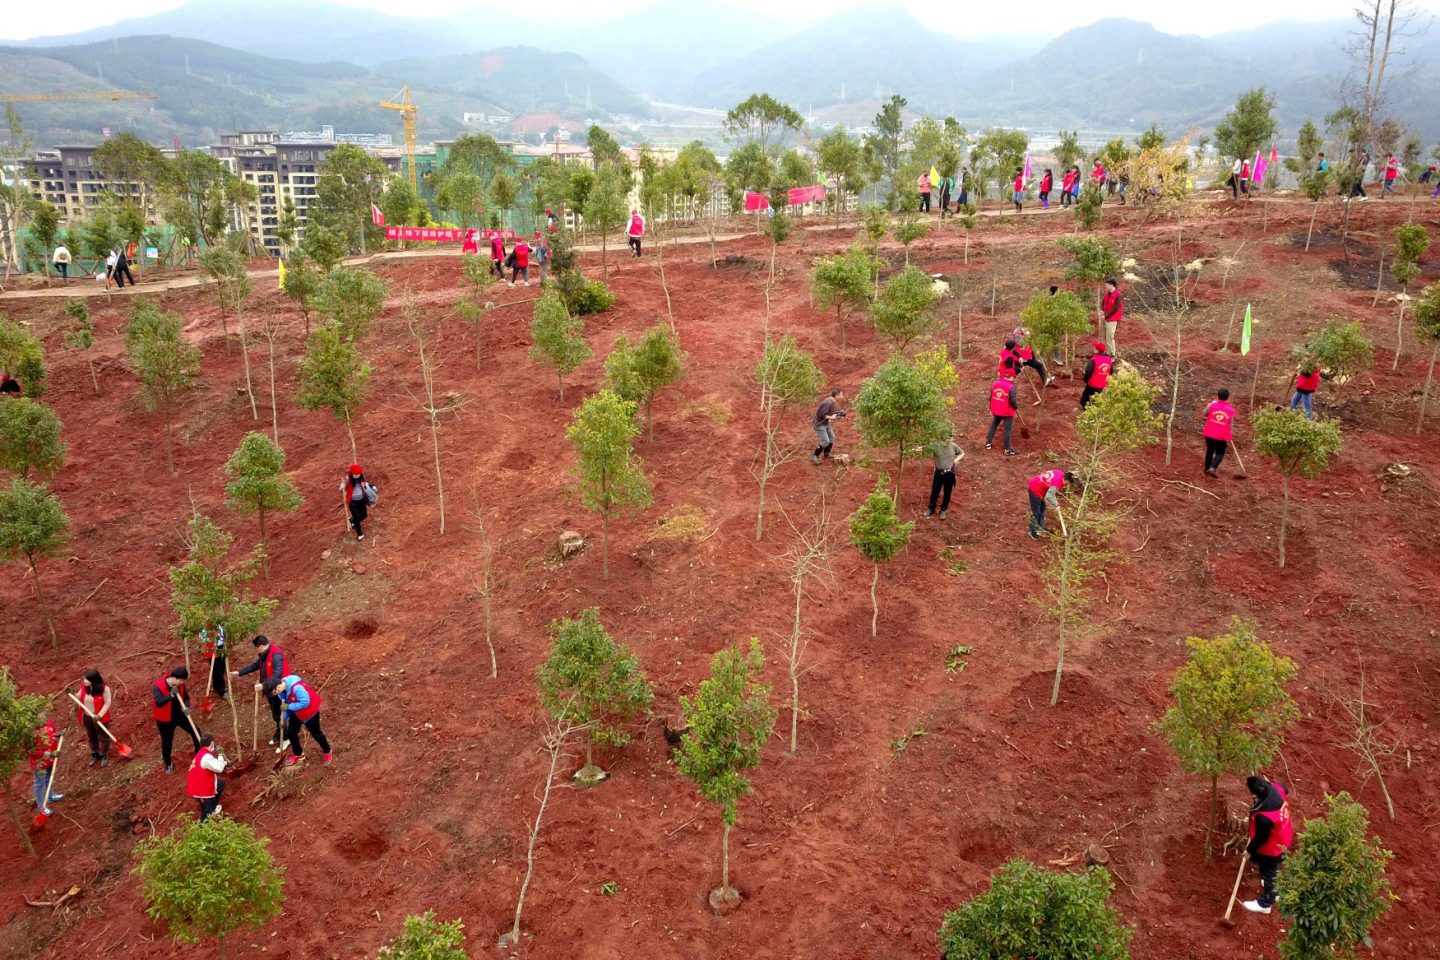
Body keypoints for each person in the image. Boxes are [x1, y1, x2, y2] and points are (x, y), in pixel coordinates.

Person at [1242, 775, 1294, 914]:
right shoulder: (1277, 788)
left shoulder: (1264, 817)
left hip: (1273, 846)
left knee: (1268, 872)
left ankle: (1266, 903)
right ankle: (1275, 889)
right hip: (1284, 835)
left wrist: (1249, 851)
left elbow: (1261, 837)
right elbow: (1285, 788)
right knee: (1273, 870)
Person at [264, 674, 333, 764]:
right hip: (296, 711)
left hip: (310, 712)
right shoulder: (280, 692)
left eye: (274, 692)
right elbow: (285, 705)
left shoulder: (297, 688)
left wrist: (288, 706)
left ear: (278, 686)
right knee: (291, 732)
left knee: (316, 733)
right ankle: (299, 754)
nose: (275, 695)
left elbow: (305, 702)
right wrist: (283, 718)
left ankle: (327, 751)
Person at [235, 635, 289, 745]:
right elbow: (255, 665)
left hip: (278, 691)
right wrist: (239, 672)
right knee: (276, 715)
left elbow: (277, 675)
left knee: (279, 715)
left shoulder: (275, 655)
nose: (256, 651)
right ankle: (280, 733)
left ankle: (286, 738)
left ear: (260, 646)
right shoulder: (265, 654)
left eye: (256, 648)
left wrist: (263, 686)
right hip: (270, 689)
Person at [153, 666, 200, 774]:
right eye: (181, 680)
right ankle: (168, 763)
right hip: (165, 721)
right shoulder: (158, 686)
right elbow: (159, 703)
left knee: (195, 730)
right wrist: (171, 695)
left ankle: (199, 752)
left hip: (179, 716)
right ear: (174, 678)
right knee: (167, 743)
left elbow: (186, 697)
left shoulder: (180, 684)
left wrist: (186, 707)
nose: (182, 683)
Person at [76, 669, 113, 766]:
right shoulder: (84, 687)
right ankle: (95, 753)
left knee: (103, 736)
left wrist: (99, 715)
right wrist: (72, 694)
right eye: (84, 679)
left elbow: (107, 703)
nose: (85, 681)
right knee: (91, 736)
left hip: (99, 717)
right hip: (87, 717)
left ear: (94, 679)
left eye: (87, 679)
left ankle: (104, 754)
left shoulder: (104, 689)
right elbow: (78, 697)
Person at [187, 734, 228, 823]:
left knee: (220, 784)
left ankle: (213, 807)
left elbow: (213, 763)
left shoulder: (201, 754)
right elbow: (219, 768)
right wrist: (220, 754)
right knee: (206, 813)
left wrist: (224, 763)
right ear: (212, 743)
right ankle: (203, 826)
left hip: (197, 784)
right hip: (201, 790)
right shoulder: (206, 757)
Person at [28, 718, 63, 815]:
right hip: (39, 762)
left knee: (49, 777)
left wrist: (57, 735)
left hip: (50, 758)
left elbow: (51, 734)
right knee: (39, 784)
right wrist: (50, 754)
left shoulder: (48, 722)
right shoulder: (30, 731)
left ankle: (51, 796)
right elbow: (33, 752)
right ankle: (41, 807)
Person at [1027, 469, 1074, 539]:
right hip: (1035, 488)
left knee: (1042, 509)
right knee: (1036, 512)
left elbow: (1051, 485)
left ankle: (1040, 527)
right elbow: (1049, 496)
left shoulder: (1060, 473)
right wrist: (1056, 505)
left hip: (1041, 487)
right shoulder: (1057, 483)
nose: (1067, 485)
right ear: (1067, 481)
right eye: (1068, 483)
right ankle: (1032, 531)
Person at [1202, 388, 1236, 477]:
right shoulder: (1231, 410)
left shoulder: (1211, 405)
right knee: (1220, 452)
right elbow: (1230, 424)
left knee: (1210, 450)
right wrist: (1230, 433)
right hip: (1221, 435)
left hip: (1209, 432)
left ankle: (1207, 468)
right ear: (1227, 398)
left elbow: (1204, 414)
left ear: (1217, 396)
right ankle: (1213, 467)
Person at [926, 436, 964, 519]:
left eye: (951, 437)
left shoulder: (953, 446)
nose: (950, 439)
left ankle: (944, 509)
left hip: (950, 473)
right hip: (938, 473)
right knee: (935, 491)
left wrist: (956, 460)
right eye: (948, 437)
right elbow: (925, 449)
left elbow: (962, 453)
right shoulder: (936, 446)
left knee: (947, 492)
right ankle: (931, 508)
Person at [985, 373, 1019, 455]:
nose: (1014, 379)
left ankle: (988, 443)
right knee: (1007, 430)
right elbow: (1013, 401)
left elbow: (991, 396)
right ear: (1011, 377)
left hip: (996, 410)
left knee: (993, 426)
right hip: (1007, 412)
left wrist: (991, 407)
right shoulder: (1011, 387)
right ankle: (1007, 449)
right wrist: (1016, 407)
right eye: (1013, 377)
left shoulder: (995, 383)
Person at [811, 388, 845, 463]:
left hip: (825, 423)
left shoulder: (831, 402)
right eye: (841, 395)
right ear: (836, 396)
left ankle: (826, 454)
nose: (842, 396)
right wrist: (832, 417)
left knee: (832, 437)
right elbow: (822, 415)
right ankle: (815, 456)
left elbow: (828, 413)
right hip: (819, 424)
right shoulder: (828, 403)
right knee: (825, 441)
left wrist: (837, 415)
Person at [199, 622, 228, 702]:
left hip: (220, 647)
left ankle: (216, 685)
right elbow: (202, 639)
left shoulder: (218, 624)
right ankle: (221, 691)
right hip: (211, 649)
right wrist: (212, 640)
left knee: (222, 667)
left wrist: (222, 638)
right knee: (217, 671)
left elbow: (222, 633)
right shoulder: (204, 628)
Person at [342, 463, 371, 541]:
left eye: (358, 474)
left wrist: (366, 486)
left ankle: (352, 521)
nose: (357, 475)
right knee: (357, 518)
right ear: (351, 473)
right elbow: (343, 484)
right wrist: (342, 486)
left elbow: (365, 485)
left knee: (364, 515)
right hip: (352, 502)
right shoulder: (347, 479)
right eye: (355, 474)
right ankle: (359, 534)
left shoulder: (361, 477)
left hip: (361, 500)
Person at [1080, 341, 1113, 409]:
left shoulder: (1093, 360)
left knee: (1084, 400)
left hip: (1092, 385)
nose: (1093, 349)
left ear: (1097, 350)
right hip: (1104, 385)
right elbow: (1111, 371)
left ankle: (1087, 411)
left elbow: (1088, 372)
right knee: (1099, 400)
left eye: (1095, 348)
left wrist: (1086, 380)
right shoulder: (1109, 359)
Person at [1101, 278, 1123, 354]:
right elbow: (1103, 303)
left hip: (1112, 319)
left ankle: (1111, 354)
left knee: (1109, 338)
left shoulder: (1118, 295)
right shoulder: (1107, 294)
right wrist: (1102, 310)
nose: (1105, 286)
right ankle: (1105, 352)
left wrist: (1106, 316)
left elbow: (1115, 309)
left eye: (1106, 285)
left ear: (1111, 285)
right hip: (1105, 318)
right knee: (1103, 336)